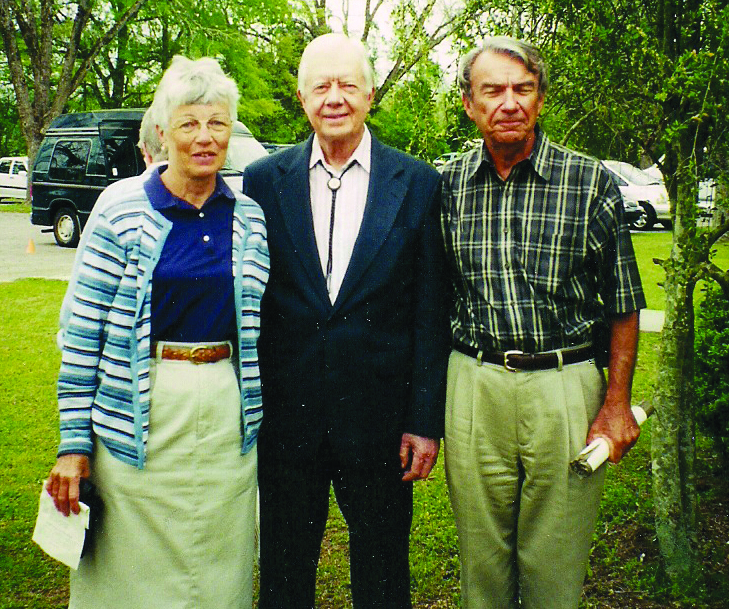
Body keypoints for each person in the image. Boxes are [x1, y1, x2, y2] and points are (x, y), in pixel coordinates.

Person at [45, 55, 269, 609]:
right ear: (163, 132)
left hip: (224, 412)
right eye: (189, 123)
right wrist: (74, 445)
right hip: (137, 412)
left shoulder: (249, 217)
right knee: (130, 574)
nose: (203, 137)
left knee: (219, 565)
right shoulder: (120, 208)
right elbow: (81, 335)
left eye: (217, 123)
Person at [242, 33, 450, 608]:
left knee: (383, 579)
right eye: (321, 86)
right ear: (302, 97)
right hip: (287, 421)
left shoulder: (418, 184)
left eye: (348, 85)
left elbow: (431, 313)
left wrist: (424, 420)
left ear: (371, 93)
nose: (335, 98)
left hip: (380, 423)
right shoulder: (263, 180)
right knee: (283, 574)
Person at [441, 36, 647, 609]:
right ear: (470, 104)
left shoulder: (590, 182)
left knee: (553, 569)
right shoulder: (451, 188)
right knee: (481, 565)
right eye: (493, 91)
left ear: (540, 100)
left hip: (565, 387)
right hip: (474, 385)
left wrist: (615, 402)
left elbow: (624, 303)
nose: (509, 102)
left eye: (522, 89)